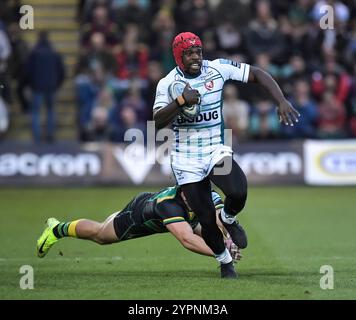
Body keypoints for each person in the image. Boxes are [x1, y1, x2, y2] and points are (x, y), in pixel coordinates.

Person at [153, 32, 300, 278]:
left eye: (198, 51)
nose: (196, 57)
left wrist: (281, 100)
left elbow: (258, 74)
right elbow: (157, 121)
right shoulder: (167, 83)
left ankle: (229, 217)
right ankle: (225, 261)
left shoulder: (218, 69)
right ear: (179, 56)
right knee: (206, 219)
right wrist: (180, 101)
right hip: (185, 158)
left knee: (238, 190)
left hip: (215, 149)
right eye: (189, 53)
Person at [36, 186, 241, 277]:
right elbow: (186, 239)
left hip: (167, 211)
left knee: (205, 227)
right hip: (139, 215)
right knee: (100, 235)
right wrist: (222, 253)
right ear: (185, 194)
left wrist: (228, 237)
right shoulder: (169, 206)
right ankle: (57, 229)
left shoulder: (205, 192)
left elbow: (217, 216)